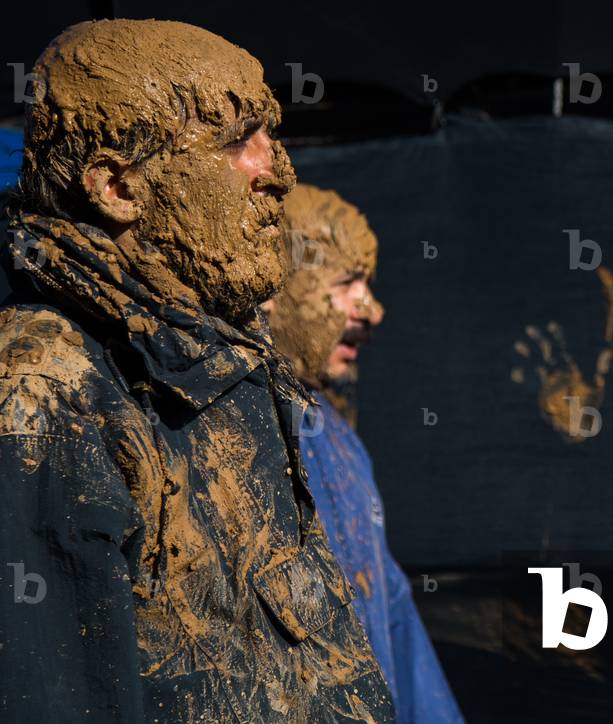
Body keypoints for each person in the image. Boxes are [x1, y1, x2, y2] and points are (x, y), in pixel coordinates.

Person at [0, 20, 394, 722]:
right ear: (118, 187)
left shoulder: (218, 368)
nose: (279, 171)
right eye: (236, 140)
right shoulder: (48, 390)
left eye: (270, 135)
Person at [265, 183, 464, 723]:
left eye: (367, 284)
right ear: (276, 286)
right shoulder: (232, 432)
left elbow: (394, 614)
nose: (372, 309)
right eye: (348, 281)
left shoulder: (340, 440)